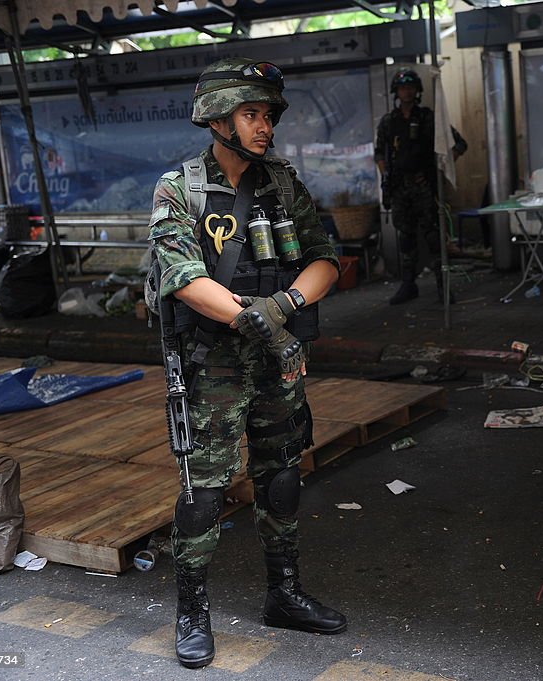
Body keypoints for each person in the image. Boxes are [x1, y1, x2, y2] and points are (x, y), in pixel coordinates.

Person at [147, 57, 344, 670]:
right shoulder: (178, 188)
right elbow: (181, 276)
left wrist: (284, 304)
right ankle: (192, 610)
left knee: (282, 475)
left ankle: (283, 595)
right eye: (251, 114)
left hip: (277, 359)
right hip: (214, 364)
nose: (264, 127)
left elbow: (325, 259)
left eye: (267, 115)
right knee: (204, 491)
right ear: (217, 119)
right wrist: (246, 317)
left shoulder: (283, 184)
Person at [374, 68, 467, 305]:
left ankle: (442, 286)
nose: (407, 91)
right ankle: (408, 285)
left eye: (411, 87)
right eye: (403, 87)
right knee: (406, 238)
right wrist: (388, 178)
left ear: (417, 91)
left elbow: (458, 144)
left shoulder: (429, 117)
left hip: (424, 188)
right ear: (396, 91)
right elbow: (379, 155)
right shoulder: (388, 122)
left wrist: (437, 171)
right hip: (399, 189)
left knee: (434, 238)